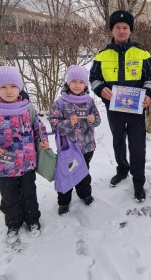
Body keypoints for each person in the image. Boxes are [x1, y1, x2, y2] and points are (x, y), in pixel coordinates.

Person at [0, 66, 50, 242]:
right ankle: (13, 224)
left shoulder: (28, 109)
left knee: (30, 194)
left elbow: (39, 129)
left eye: (13, 86)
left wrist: (43, 140)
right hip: (3, 168)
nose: (9, 91)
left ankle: (32, 220)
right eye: (4, 87)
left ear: (20, 88)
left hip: (27, 165)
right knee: (9, 197)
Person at [89, 10, 151, 202]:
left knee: (137, 146)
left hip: (136, 110)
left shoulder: (142, 53)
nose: (121, 31)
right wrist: (100, 89)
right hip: (114, 110)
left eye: (125, 27)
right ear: (112, 30)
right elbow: (93, 78)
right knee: (118, 142)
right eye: (117, 27)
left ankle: (138, 180)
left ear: (130, 30)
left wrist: (149, 94)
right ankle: (122, 170)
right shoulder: (102, 55)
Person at [49, 65, 101, 215]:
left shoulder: (89, 101)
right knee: (66, 173)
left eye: (81, 82)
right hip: (68, 148)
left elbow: (98, 120)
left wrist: (93, 119)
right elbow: (53, 123)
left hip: (87, 146)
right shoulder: (60, 102)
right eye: (74, 81)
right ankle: (64, 201)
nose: (77, 85)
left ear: (85, 84)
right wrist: (67, 123)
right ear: (68, 83)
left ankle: (85, 194)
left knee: (83, 172)